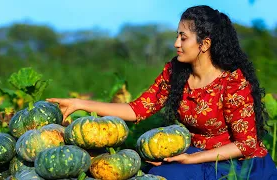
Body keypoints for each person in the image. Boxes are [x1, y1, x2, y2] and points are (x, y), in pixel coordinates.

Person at [47, 5, 277, 180]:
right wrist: (80, 103)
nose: (176, 43)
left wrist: (191, 159)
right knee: (149, 172)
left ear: (204, 44)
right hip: (193, 153)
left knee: (169, 175)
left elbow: (245, 144)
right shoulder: (175, 72)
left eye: (183, 38)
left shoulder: (233, 82)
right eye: (177, 35)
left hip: (235, 161)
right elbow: (136, 110)